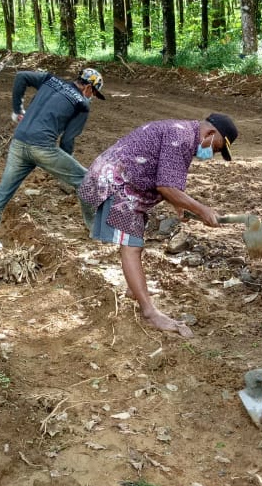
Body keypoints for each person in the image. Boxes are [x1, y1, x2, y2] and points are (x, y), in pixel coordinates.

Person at [78, 114, 238, 337]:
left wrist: (180, 206)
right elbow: (166, 186)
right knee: (131, 246)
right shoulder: (181, 138)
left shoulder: (183, 132)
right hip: (117, 185)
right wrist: (202, 209)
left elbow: (166, 176)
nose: (212, 154)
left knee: (134, 244)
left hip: (120, 181)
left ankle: (135, 290)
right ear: (210, 135)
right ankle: (149, 311)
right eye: (217, 149)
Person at [0, 68, 106, 252]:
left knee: (2, 194)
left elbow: (21, 76)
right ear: (88, 87)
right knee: (87, 181)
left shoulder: (51, 80)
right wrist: (63, 165)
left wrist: (17, 109)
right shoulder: (81, 104)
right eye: (94, 93)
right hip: (43, 148)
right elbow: (67, 140)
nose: (92, 97)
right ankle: (95, 228)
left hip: (18, 142)